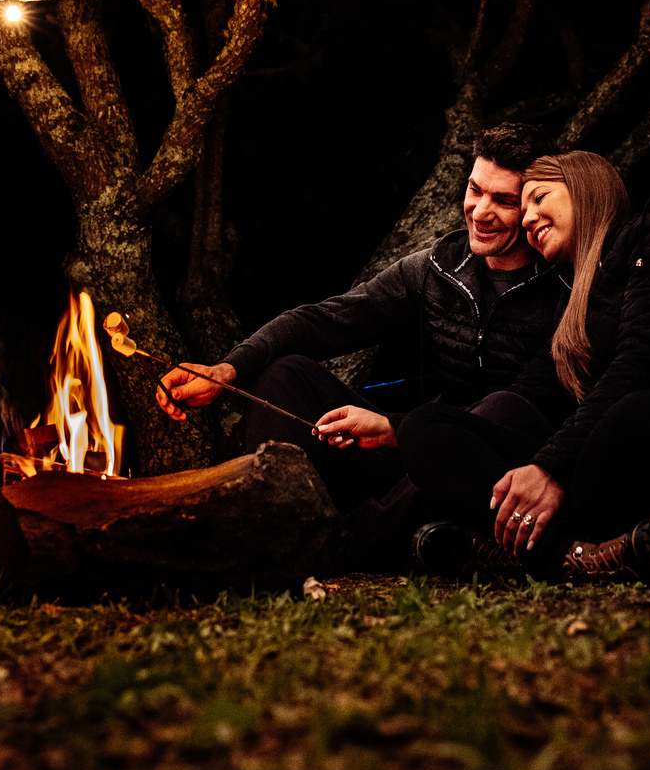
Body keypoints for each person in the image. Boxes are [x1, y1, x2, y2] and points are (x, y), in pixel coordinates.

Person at [155, 123, 570, 568]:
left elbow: (538, 405)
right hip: (419, 458)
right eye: (475, 190)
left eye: (503, 200)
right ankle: (268, 524)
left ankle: (342, 545)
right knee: (287, 375)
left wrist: (395, 428)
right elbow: (323, 320)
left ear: (534, 206)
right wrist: (226, 370)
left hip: (506, 474)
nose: (480, 211)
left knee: (502, 408)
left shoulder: (568, 283)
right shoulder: (439, 269)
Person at [398, 150, 650, 584]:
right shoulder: (576, 297)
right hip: (613, 487)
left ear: (584, 189)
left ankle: (522, 555)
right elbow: (527, 393)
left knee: (638, 410)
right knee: (426, 427)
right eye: (524, 210)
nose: (527, 219)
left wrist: (551, 468)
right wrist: (396, 426)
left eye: (539, 198)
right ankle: (575, 554)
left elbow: (641, 363)